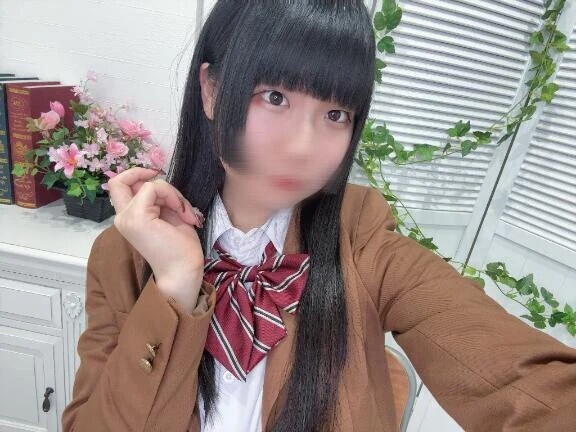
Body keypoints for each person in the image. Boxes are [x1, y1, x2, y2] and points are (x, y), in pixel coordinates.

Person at [61, 1, 576, 431]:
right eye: (275, 97)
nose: (304, 148)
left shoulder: (365, 242)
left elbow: (525, 384)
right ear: (212, 91)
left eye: (336, 114)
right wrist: (174, 286)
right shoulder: (124, 257)